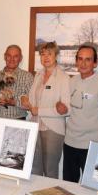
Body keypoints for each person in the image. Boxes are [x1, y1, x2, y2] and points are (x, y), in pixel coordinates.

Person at [62, 45, 98, 183]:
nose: (83, 63)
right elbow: (69, 108)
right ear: (76, 61)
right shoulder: (72, 81)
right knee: (69, 186)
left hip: (92, 146)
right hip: (70, 143)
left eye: (88, 59)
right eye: (80, 59)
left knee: (91, 188)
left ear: (95, 63)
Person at [21, 42, 70, 178]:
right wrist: (24, 99)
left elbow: (67, 109)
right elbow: (31, 100)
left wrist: (39, 111)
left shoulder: (63, 78)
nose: (46, 57)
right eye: (42, 54)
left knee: (50, 170)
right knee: (35, 167)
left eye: (49, 54)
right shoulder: (38, 75)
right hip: (35, 126)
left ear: (56, 56)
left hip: (53, 129)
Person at [0, 45, 33, 139]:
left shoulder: (27, 76)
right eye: (9, 55)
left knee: (16, 154)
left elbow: (30, 103)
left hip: (18, 123)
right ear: (5, 56)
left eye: (16, 56)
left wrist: (12, 102)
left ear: (20, 58)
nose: (12, 59)